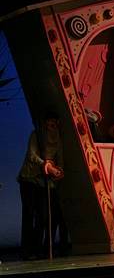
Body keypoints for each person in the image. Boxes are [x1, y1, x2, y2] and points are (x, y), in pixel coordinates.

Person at [17, 111, 67, 260]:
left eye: (54, 124)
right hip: (29, 178)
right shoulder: (37, 135)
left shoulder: (58, 140)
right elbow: (32, 155)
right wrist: (46, 165)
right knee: (29, 214)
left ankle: (37, 249)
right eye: (49, 124)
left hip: (44, 182)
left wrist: (58, 170)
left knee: (43, 216)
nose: (52, 127)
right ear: (45, 124)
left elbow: (61, 161)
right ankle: (27, 251)